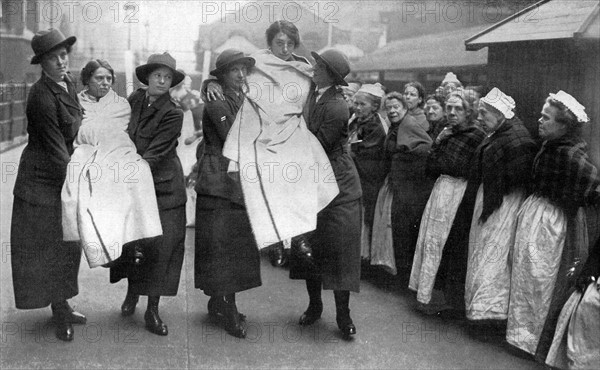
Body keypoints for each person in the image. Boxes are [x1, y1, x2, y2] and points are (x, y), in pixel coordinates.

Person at [506, 91, 599, 356]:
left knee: (540, 278)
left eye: (546, 118)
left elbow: (591, 184)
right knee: (526, 274)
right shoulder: (550, 146)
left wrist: (569, 203)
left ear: (563, 125)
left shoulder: (571, 155)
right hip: (537, 215)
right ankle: (520, 337)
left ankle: (533, 340)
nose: (540, 121)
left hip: (552, 222)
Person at [11, 28, 85, 342]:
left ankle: (63, 302)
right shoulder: (41, 96)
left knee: (69, 245)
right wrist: (83, 183)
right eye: (52, 58)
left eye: (63, 54)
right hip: (42, 184)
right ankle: (58, 311)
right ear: (42, 63)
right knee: (51, 247)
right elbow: (57, 151)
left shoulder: (68, 82)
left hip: (62, 177)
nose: (60, 61)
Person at [110, 52, 187, 336]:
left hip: (162, 187)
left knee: (160, 248)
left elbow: (155, 154)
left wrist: (125, 170)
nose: (162, 81)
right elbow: (118, 131)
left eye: (168, 78)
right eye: (158, 76)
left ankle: (152, 309)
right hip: (133, 179)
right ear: (148, 77)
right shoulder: (134, 100)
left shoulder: (174, 113)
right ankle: (132, 293)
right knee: (133, 243)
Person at [61, 59, 162, 269]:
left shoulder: (121, 104)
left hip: (116, 148)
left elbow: (118, 129)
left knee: (136, 173)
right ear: (87, 80)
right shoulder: (76, 102)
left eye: (109, 78)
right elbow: (78, 129)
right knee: (86, 180)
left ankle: (133, 241)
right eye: (99, 78)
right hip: (87, 148)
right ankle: (102, 244)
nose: (105, 83)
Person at [290, 49, 362, 339]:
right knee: (311, 249)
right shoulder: (312, 93)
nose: (314, 68)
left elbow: (316, 146)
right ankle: (315, 305)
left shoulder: (336, 107)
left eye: (318, 65)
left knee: (341, 251)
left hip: (338, 185)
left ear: (329, 74)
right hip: (312, 182)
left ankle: (343, 315)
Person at [194, 50, 260, 339]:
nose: (241, 75)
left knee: (231, 246)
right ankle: (227, 308)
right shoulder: (216, 100)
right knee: (224, 247)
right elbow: (233, 137)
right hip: (219, 182)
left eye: (244, 70)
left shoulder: (238, 98)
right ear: (221, 75)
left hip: (233, 182)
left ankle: (219, 302)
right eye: (235, 70)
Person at [464, 87, 537, 323]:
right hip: (493, 198)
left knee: (492, 255)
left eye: (484, 113)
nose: (480, 118)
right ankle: (479, 308)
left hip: (505, 204)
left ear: (500, 114)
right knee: (483, 251)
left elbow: (520, 176)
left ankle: (488, 313)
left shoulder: (517, 138)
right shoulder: (498, 132)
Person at [409, 92, 486, 313]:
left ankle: (445, 300)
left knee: (448, 245)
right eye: (449, 108)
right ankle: (427, 294)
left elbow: (461, 167)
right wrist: (440, 148)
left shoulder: (475, 136)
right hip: (441, 190)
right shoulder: (446, 132)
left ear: (469, 111)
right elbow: (431, 166)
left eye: (458, 109)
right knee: (431, 240)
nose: (452, 113)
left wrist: (441, 159)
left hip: (459, 193)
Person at [385, 90, 433, 271]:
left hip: (410, 188)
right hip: (400, 185)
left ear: (405, 108)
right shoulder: (395, 126)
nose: (392, 111)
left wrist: (403, 157)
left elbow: (426, 147)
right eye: (388, 108)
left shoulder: (409, 124)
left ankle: (405, 274)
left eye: (396, 107)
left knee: (406, 231)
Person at [348, 83, 388, 260]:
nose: (357, 107)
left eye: (362, 104)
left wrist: (348, 150)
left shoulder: (376, 126)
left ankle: (361, 255)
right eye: (355, 103)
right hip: (355, 174)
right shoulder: (356, 120)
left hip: (367, 178)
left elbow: (366, 153)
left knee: (363, 217)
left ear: (374, 107)